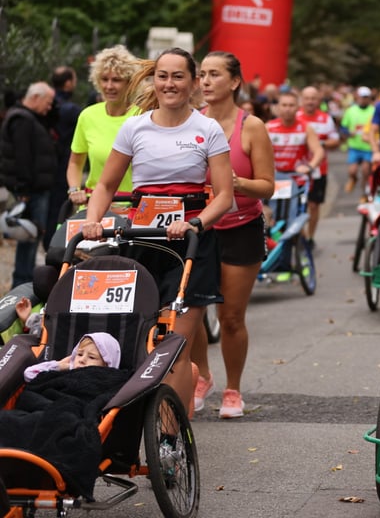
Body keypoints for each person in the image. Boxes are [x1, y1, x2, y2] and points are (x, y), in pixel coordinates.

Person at [80, 47, 234, 415]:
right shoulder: (136, 126)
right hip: (143, 240)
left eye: (178, 76)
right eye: (162, 76)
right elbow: (104, 186)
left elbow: (225, 196)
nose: (169, 84)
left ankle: (171, 433)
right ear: (154, 81)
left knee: (175, 345)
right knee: (141, 337)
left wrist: (195, 222)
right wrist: (93, 219)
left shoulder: (206, 128)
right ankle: (139, 413)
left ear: (193, 82)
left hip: (192, 243)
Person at [188, 51, 275, 419]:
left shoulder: (251, 126)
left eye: (214, 75)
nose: (205, 82)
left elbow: (268, 186)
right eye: (202, 75)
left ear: (234, 82)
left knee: (231, 318)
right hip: (200, 228)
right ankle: (201, 377)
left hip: (241, 228)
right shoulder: (192, 122)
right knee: (189, 313)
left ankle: (233, 389)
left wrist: (234, 183)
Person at [67, 45, 141, 208]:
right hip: (93, 206)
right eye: (104, 79)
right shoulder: (88, 116)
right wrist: (74, 189)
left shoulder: (143, 117)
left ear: (130, 82)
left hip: (133, 208)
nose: (109, 86)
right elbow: (75, 163)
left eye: (116, 80)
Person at [0, 81, 57, 288]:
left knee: (29, 239)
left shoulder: (28, 117)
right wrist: (24, 190)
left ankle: (23, 282)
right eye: (48, 102)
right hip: (31, 191)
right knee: (29, 238)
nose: (49, 107)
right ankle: (22, 285)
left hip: (33, 189)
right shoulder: (23, 120)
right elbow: (22, 157)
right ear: (35, 98)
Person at [296, 86, 340, 246]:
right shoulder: (296, 116)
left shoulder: (325, 118)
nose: (310, 102)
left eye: (313, 98)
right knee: (297, 205)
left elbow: (335, 140)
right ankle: (299, 235)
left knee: (313, 206)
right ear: (301, 100)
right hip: (296, 170)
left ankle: (309, 237)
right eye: (307, 98)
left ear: (318, 101)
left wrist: (319, 143)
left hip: (318, 170)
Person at [44, 66, 82, 249]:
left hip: (48, 166)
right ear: (68, 83)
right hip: (63, 166)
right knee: (58, 210)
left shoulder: (49, 106)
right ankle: (54, 245)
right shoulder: (71, 110)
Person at [23, 332, 121, 382]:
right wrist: (59, 365)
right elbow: (29, 374)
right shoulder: (67, 372)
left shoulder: (106, 382)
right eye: (79, 354)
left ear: (107, 365)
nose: (82, 360)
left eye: (92, 357)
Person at [340, 86, 375, 194]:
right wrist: (349, 133)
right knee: (352, 170)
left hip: (368, 147)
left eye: (366, 97)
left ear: (369, 98)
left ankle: (364, 192)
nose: (363, 99)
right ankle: (353, 179)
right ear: (357, 97)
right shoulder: (351, 111)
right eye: (362, 97)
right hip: (354, 146)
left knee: (365, 171)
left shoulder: (373, 111)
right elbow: (343, 127)